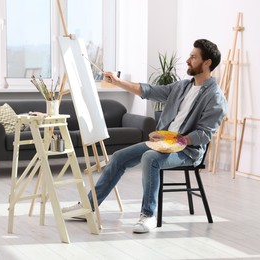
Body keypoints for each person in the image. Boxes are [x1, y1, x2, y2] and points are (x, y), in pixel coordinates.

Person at [63, 39, 227, 233]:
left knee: (150, 158)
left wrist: (174, 140)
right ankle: (88, 207)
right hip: (163, 143)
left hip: (187, 150)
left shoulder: (215, 97)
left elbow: (204, 135)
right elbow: (148, 91)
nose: (188, 60)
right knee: (118, 157)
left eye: (193, 57)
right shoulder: (182, 86)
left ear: (207, 63)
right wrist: (117, 81)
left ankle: (148, 215)